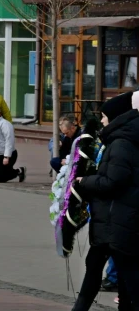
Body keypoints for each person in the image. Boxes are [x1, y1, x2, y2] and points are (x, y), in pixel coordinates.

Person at [71, 92, 139, 310]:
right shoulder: (121, 140)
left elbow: (113, 181)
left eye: (104, 116)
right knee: (97, 267)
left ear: (116, 117)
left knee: (128, 275)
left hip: (117, 219)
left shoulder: (121, 143)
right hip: (113, 219)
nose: (101, 120)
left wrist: (84, 181)